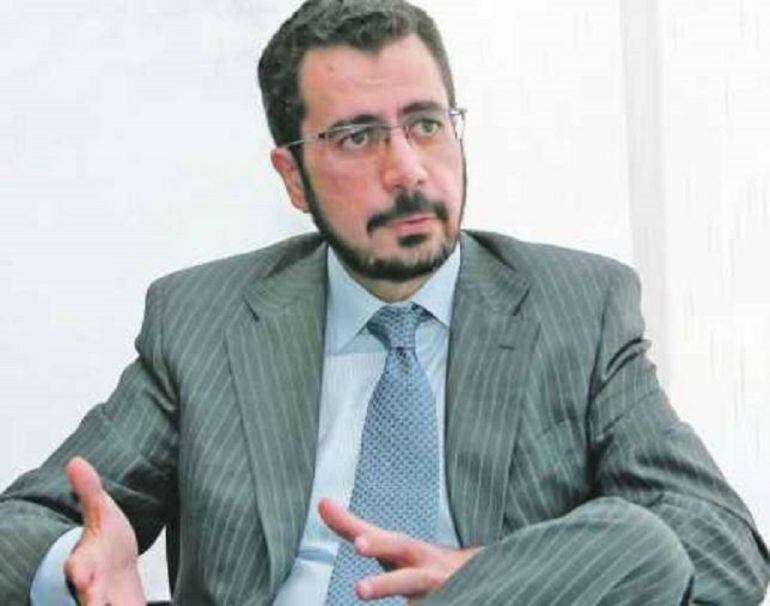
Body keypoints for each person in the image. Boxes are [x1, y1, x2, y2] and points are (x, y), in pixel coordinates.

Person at [1, 0, 768, 604]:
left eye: (426, 125)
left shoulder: (577, 307)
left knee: (639, 540)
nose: (408, 171)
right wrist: (78, 565)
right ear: (293, 177)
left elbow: (722, 549)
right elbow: (22, 524)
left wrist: (483, 579)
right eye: (357, 138)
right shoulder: (206, 321)